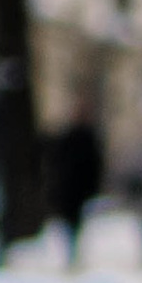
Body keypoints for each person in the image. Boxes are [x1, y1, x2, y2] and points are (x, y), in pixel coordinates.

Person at [42, 112, 104, 269]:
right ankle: (72, 251)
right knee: (71, 223)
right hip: (71, 189)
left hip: (78, 189)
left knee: (75, 222)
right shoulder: (69, 138)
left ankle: (73, 251)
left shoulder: (86, 139)